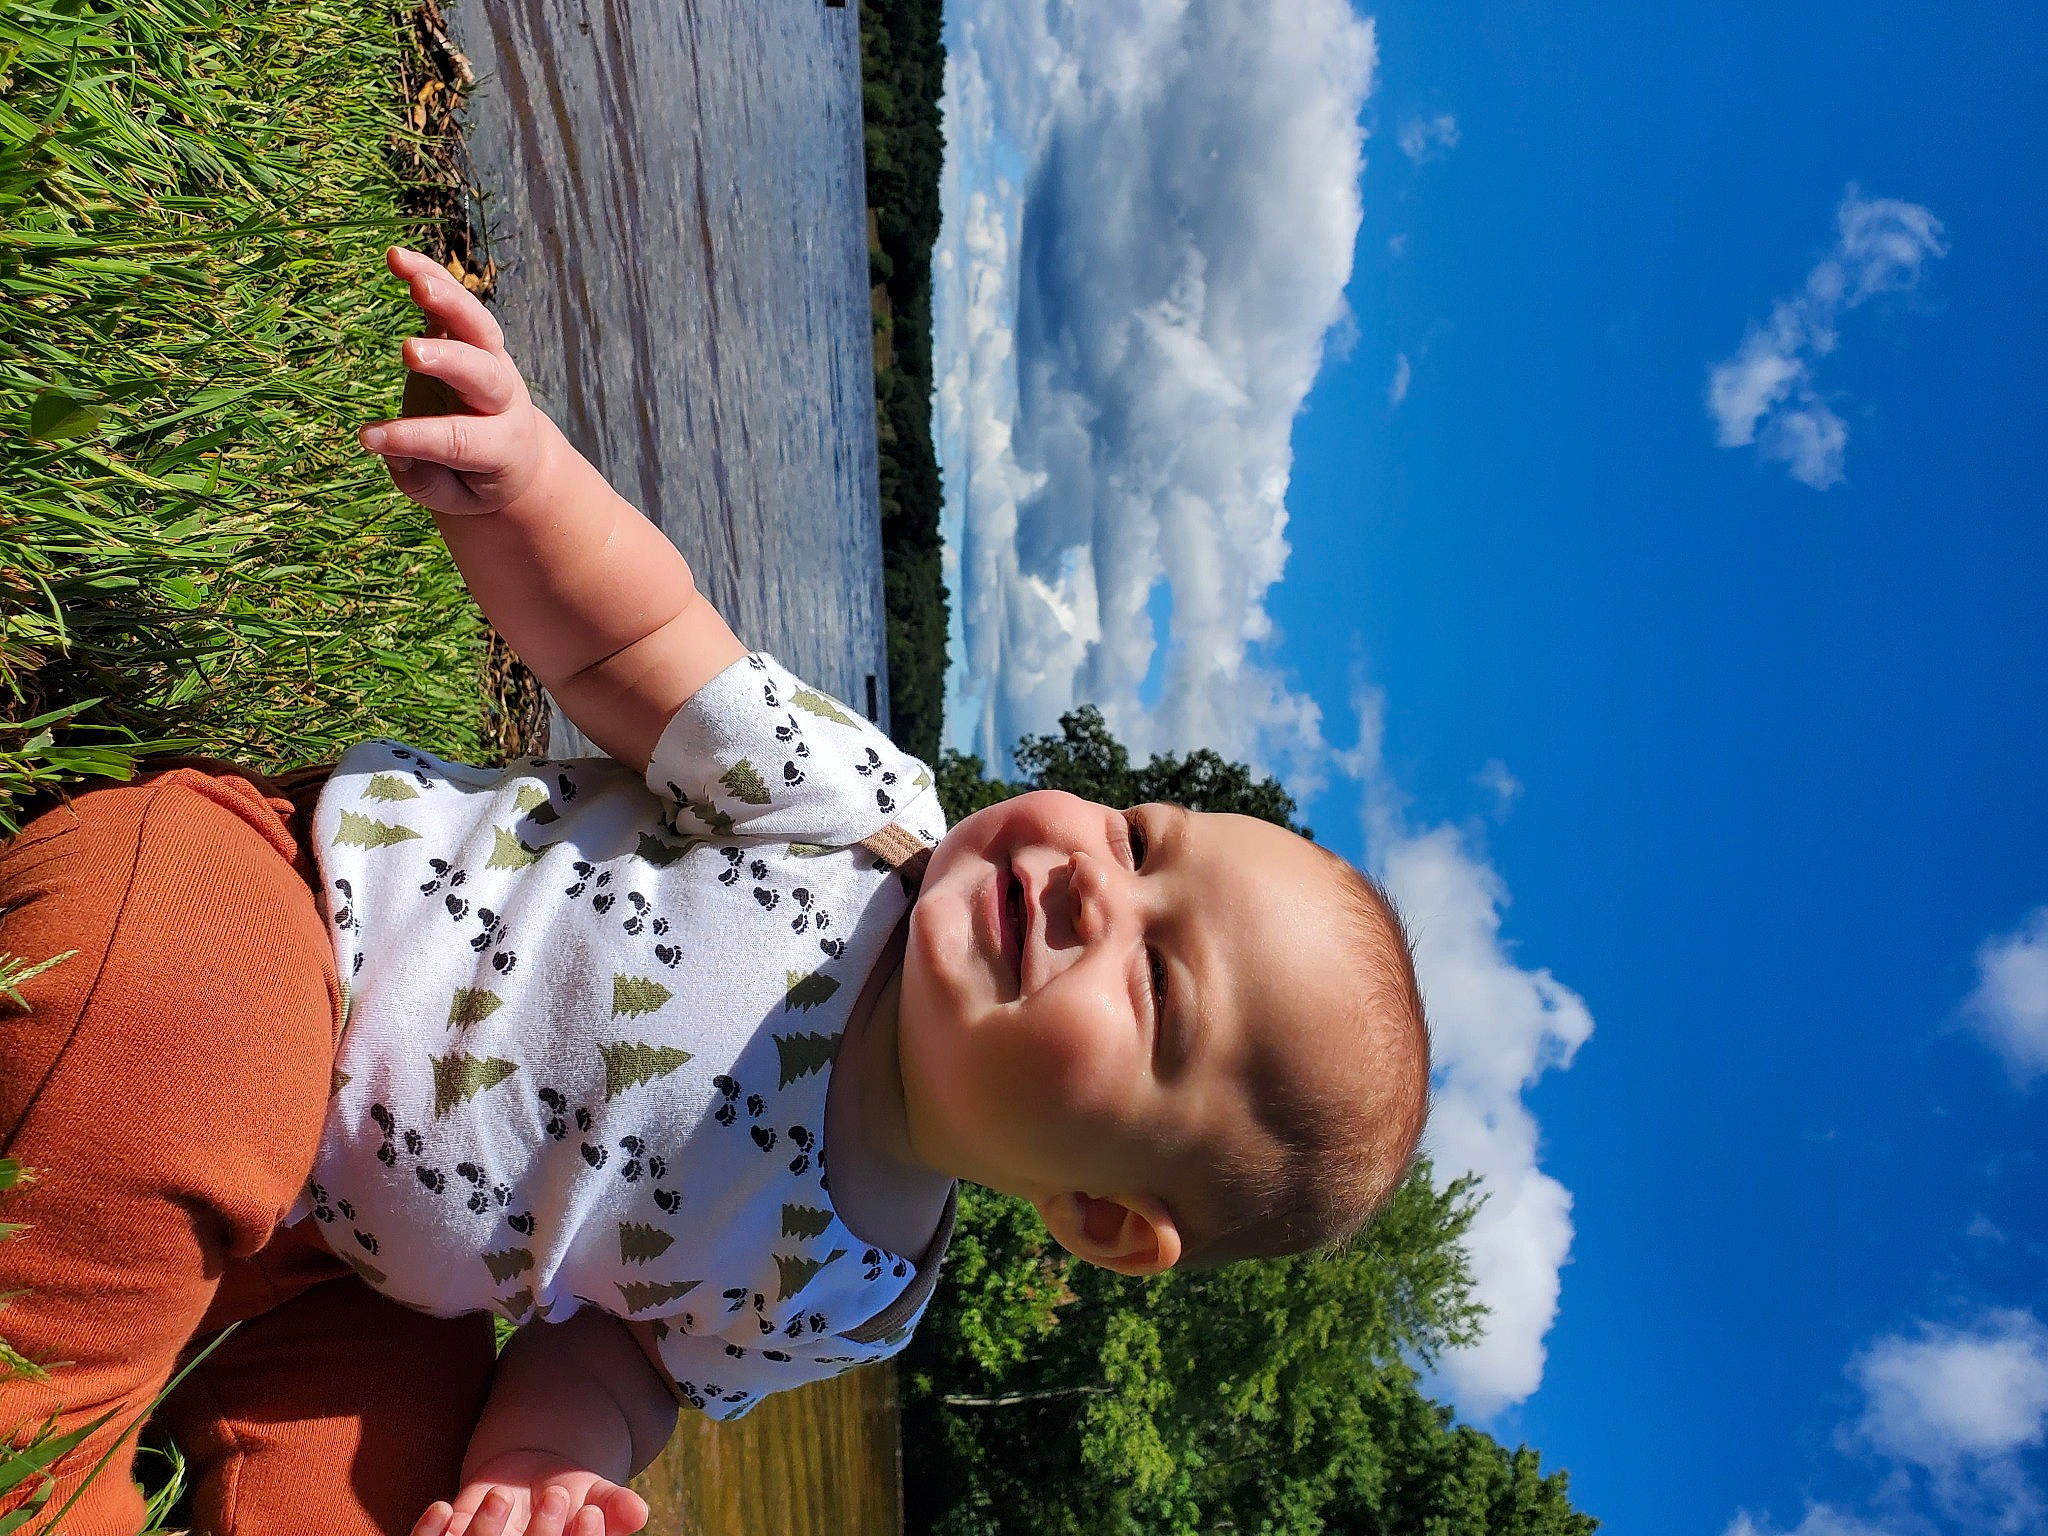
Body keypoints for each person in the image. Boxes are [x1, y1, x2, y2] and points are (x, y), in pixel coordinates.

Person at [0, 248, 1430, 1536]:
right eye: (1135, 838)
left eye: (1156, 983)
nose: (1086, 888)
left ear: (1104, 1219)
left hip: (359, 1290)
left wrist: (550, 1474)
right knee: (154, 1020)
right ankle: (44, 1446)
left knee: (367, 1493)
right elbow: (637, 642)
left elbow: (617, 1360)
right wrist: (530, 483)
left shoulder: (855, 1299)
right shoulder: (867, 820)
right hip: (288, 932)